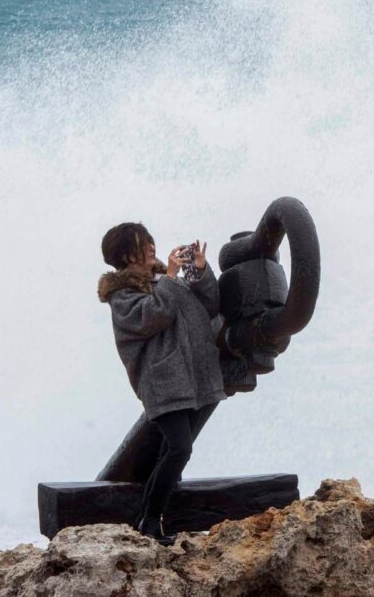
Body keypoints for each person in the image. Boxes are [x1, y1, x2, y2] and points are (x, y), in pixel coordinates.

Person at [97, 222, 225, 545]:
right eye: (144, 243)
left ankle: (151, 519)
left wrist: (199, 271)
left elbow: (210, 305)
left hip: (197, 376)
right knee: (180, 447)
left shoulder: (164, 281)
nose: (152, 247)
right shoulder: (121, 296)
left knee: (176, 450)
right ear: (127, 254)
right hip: (164, 381)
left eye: (152, 241)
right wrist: (170, 278)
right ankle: (150, 520)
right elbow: (154, 315)